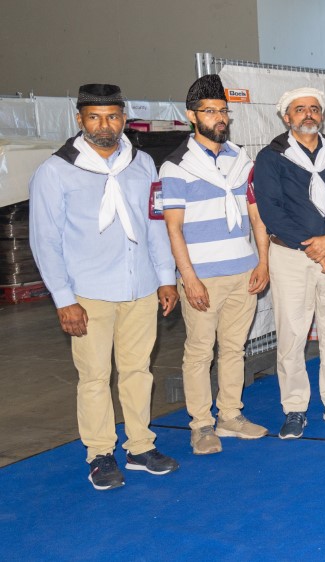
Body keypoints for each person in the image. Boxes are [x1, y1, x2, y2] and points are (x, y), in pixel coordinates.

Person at [29, 83, 180, 489]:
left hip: (141, 287)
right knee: (95, 377)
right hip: (88, 293)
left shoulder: (142, 163)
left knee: (138, 371)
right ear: (79, 119)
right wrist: (64, 299)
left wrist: (166, 278)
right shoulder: (55, 171)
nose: (104, 125)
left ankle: (140, 447)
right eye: (94, 117)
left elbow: (155, 226)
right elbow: (45, 240)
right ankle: (100, 454)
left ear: (124, 119)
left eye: (112, 117)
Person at [159, 74, 271, 454]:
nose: (220, 118)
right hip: (203, 278)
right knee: (199, 352)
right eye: (210, 111)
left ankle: (230, 416)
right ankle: (202, 425)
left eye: (223, 111)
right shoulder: (176, 166)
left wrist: (263, 262)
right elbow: (173, 229)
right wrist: (188, 279)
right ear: (192, 116)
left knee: (235, 349)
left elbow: (256, 215)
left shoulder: (241, 160)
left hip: (244, 272)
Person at [253, 87, 325, 438]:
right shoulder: (271, 158)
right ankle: (295, 408)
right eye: (300, 109)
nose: (308, 114)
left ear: (323, 115)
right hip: (291, 256)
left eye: (314, 108)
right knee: (292, 333)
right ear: (286, 117)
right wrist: (315, 248)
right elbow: (271, 211)